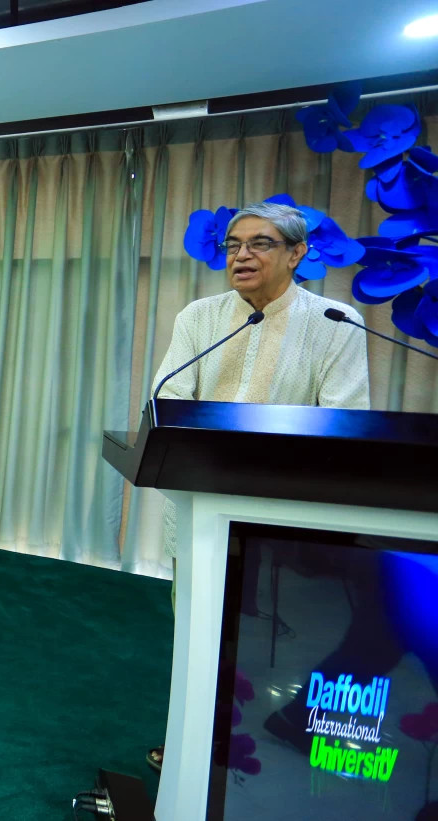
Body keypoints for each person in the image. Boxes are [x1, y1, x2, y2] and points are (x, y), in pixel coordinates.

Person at [145, 200, 371, 772]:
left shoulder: (334, 321)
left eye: (260, 243)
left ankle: (271, 737)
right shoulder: (200, 316)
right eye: (233, 245)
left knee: (272, 636)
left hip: (281, 516)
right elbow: (168, 398)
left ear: (297, 253)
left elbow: (344, 419)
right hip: (199, 504)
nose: (241, 255)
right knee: (197, 633)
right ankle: (194, 746)